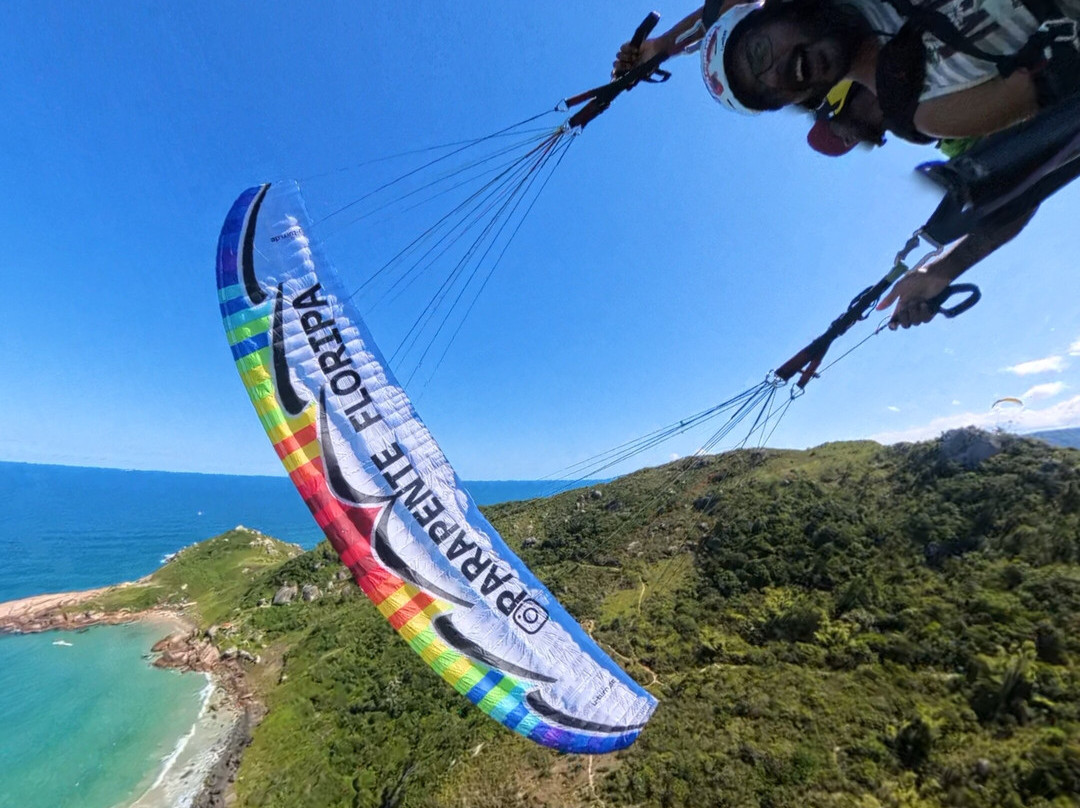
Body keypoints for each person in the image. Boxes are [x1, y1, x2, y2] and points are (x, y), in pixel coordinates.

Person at [614, 0, 1080, 139]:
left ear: (780, 12)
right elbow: (1057, 83)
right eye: (769, 91)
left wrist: (665, 45)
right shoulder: (927, 109)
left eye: (758, 54)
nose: (776, 73)